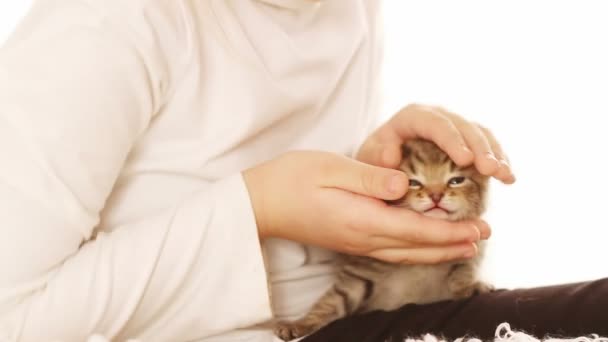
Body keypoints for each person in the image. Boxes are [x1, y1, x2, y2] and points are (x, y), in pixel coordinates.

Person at [0, 1, 605, 341]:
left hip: (341, 325)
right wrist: (259, 205)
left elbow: (316, 259)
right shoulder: (106, 24)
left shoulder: (350, 10)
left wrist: (366, 171)